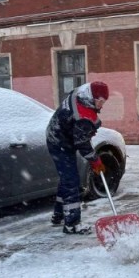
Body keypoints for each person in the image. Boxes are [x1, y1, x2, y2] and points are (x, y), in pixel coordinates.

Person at [46, 81, 109, 234]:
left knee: (67, 178)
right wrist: (95, 160)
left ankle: (58, 215)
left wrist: (87, 129)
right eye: (100, 101)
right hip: (60, 143)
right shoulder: (83, 115)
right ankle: (72, 224)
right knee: (71, 181)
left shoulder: (80, 94)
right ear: (92, 97)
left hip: (59, 136)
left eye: (104, 102)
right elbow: (82, 143)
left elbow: (81, 127)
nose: (102, 105)